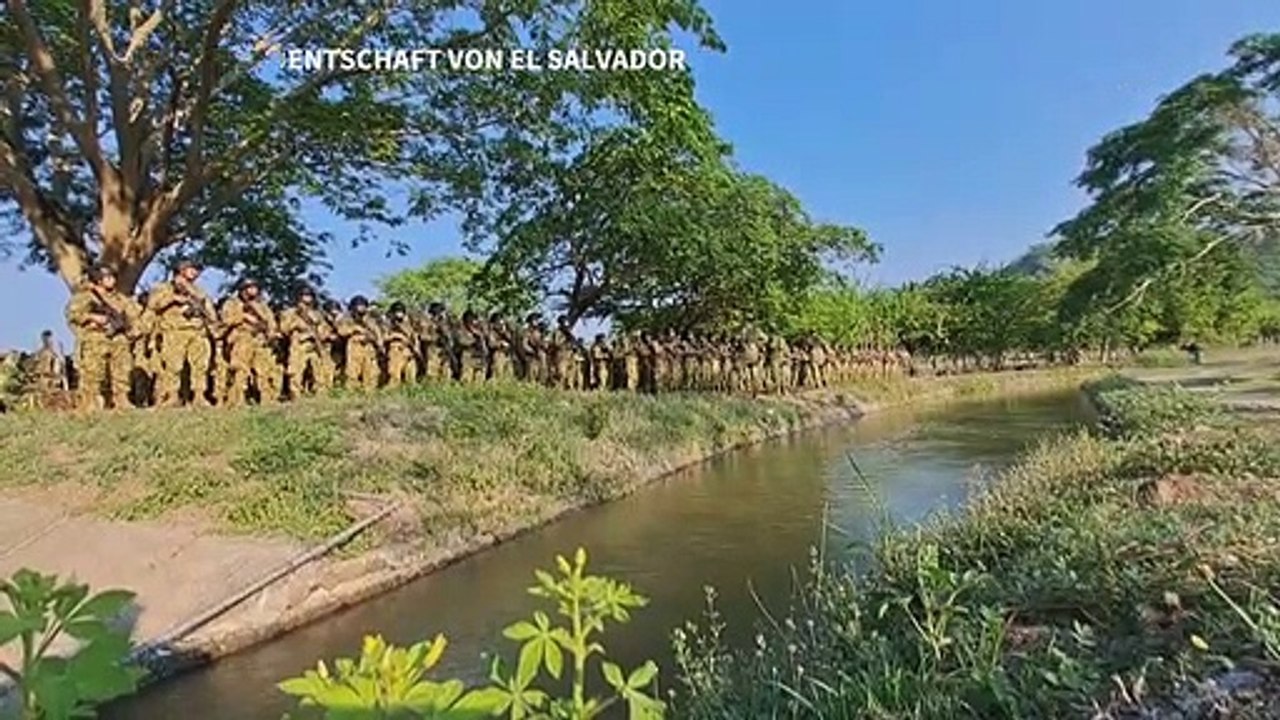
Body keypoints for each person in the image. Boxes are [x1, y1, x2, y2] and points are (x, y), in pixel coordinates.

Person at [147, 260, 218, 407]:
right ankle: (172, 396)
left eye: (196, 270)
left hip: (197, 331)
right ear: (181, 270)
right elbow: (153, 305)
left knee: (200, 366)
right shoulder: (164, 288)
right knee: (173, 366)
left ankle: (199, 396)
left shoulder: (199, 291)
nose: (194, 272)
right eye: (191, 269)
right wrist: (172, 298)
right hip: (175, 331)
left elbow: (211, 314)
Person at [65, 266, 136, 410]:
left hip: (118, 338)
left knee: (122, 370)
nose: (112, 280)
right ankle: (92, 402)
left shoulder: (120, 298)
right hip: (95, 338)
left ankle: (122, 400)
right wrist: (92, 317)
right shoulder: (85, 297)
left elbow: (133, 314)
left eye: (112, 277)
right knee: (93, 372)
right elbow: (72, 315)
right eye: (107, 277)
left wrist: (133, 328)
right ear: (98, 279)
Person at [221, 278, 282, 406]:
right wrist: (242, 317)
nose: (254, 290)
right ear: (243, 289)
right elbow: (225, 320)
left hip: (260, 340)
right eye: (250, 287)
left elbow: (271, 323)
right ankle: (237, 399)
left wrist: (271, 333)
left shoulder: (262, 306)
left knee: (264, 370)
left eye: (255, 287)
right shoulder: (232, 303)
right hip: (242, 339)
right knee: (240, 369)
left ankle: (267, 398)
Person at [279, 286, 335, 397]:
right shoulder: (291, 312)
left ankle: (321, 394)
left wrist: (322, 335)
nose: (307, 298)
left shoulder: (317, 314)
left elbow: (324, 329)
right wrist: (298, 326)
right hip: (298, 345)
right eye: (305, 295)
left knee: (320, 370)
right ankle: (296, 395)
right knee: (295, 371)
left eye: (309, 296)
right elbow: (284, 328)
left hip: (315, 345)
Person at [337, 295, 383, 391]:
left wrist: (375, 341)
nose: (361, 308)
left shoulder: (371, 321)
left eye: (363, 305)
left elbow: (378, 334)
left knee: (371, 372)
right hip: (354, 347)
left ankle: (369, 389)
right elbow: (341, 331)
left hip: (368, 347)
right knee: (352, 371)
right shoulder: (348, 319)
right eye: (359, 305)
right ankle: (352, 390)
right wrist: (354, 329)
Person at [383, 301, 420, 388]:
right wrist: (397, 336)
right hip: (396, 351)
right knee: (394, 376)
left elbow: (414, 336)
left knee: (411, 376)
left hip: (409, 351)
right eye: (397, 311)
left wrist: (416, 347)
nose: (399, 313)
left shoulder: (409, 324)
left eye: (401, 311)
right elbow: (384, 337)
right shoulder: (389, 324)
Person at [453, 309, 488, 384]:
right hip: (467, 356)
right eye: (470, 319)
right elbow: (462, 341)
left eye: (474, 319)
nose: (473, 321)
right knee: (466, 380)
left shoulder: (479, 330)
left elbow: (485, 340)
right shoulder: (460, 330)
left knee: (479, 380)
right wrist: (474, 340)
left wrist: (479, 336)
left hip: (479, 358)